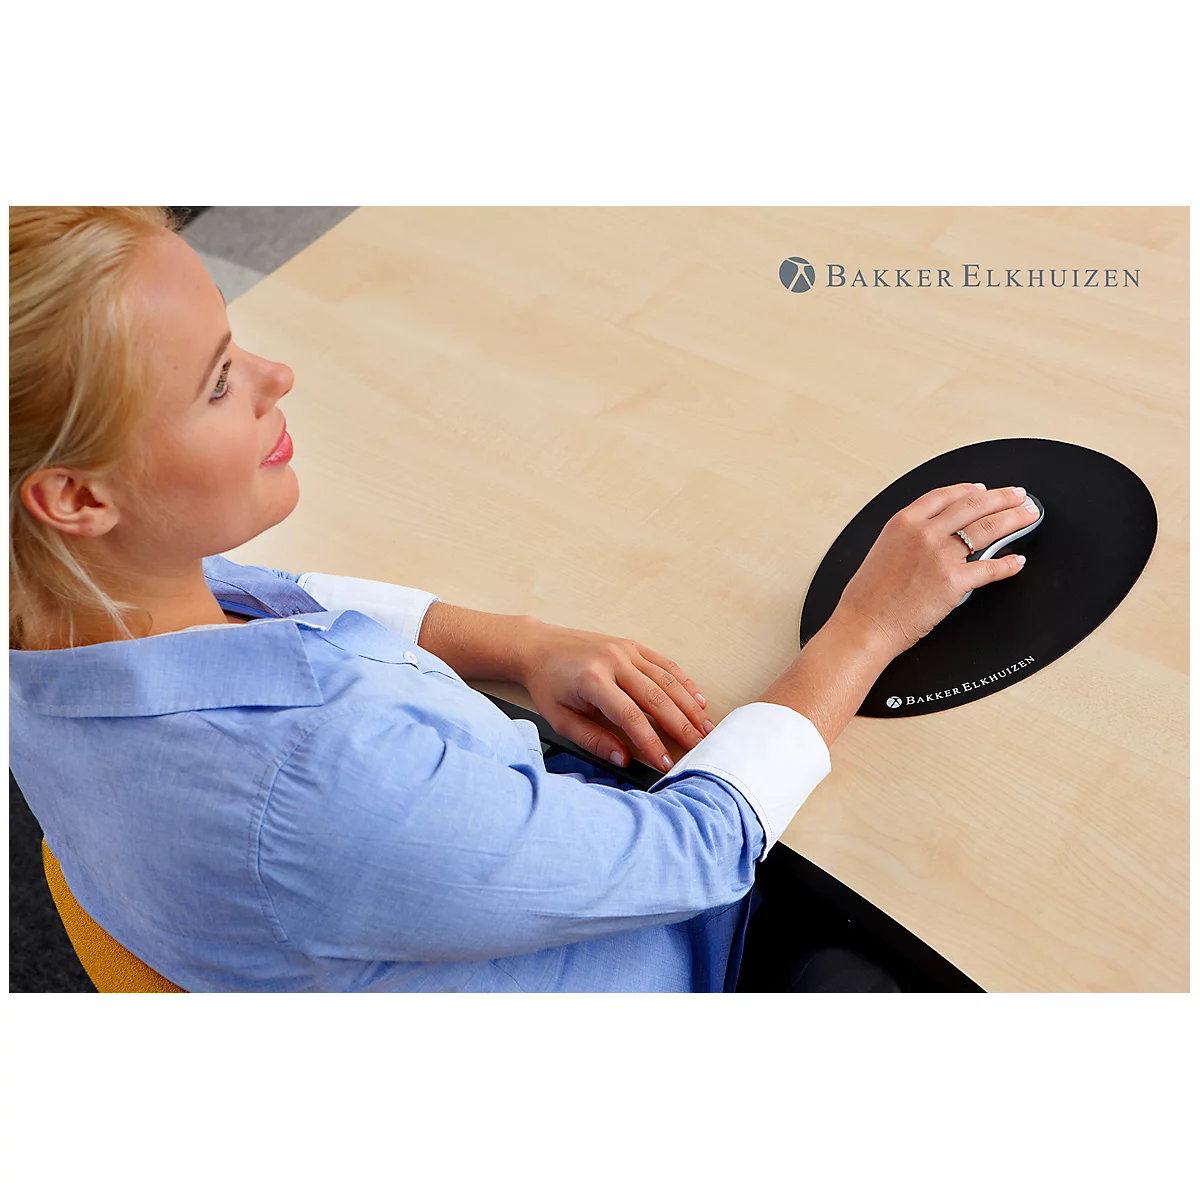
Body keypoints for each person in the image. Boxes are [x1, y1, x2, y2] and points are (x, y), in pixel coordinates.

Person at [8, 207, 1039, 992]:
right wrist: (868, 626)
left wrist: (516, 645)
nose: (277, 374)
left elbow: (289, 598)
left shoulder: (68, 615)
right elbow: (693, 854)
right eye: (218, 380)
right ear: (77, 498)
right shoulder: (315, 780)